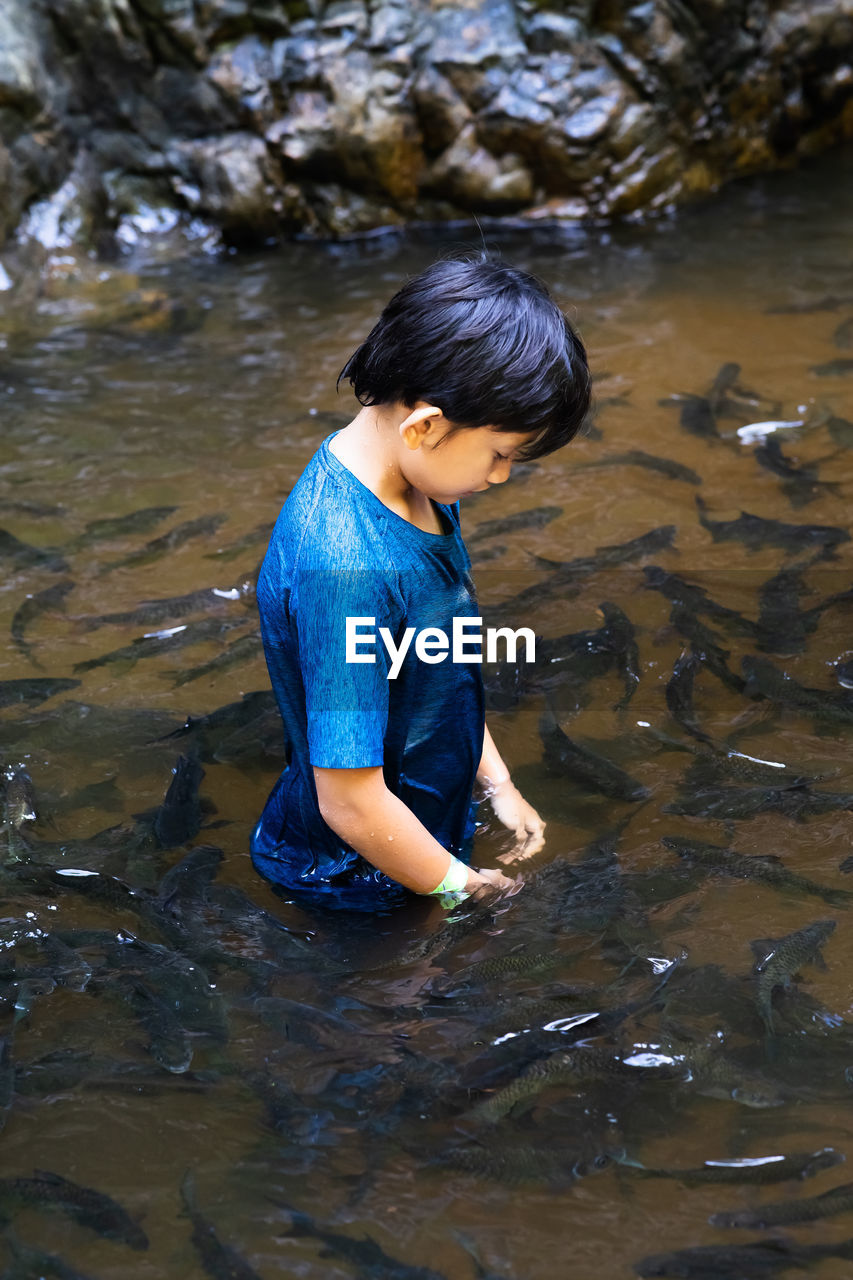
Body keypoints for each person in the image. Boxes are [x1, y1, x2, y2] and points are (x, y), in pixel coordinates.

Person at [250, 253, 591, 912]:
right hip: (352, 872)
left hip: (421, 831)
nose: (500, 478)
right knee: (401, 1011)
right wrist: (462, 886)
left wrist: (496, 782)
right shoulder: (344, 567)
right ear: (425, 425)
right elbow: (349, 801)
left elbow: (438, 658)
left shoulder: (419, 484)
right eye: (499, 456)